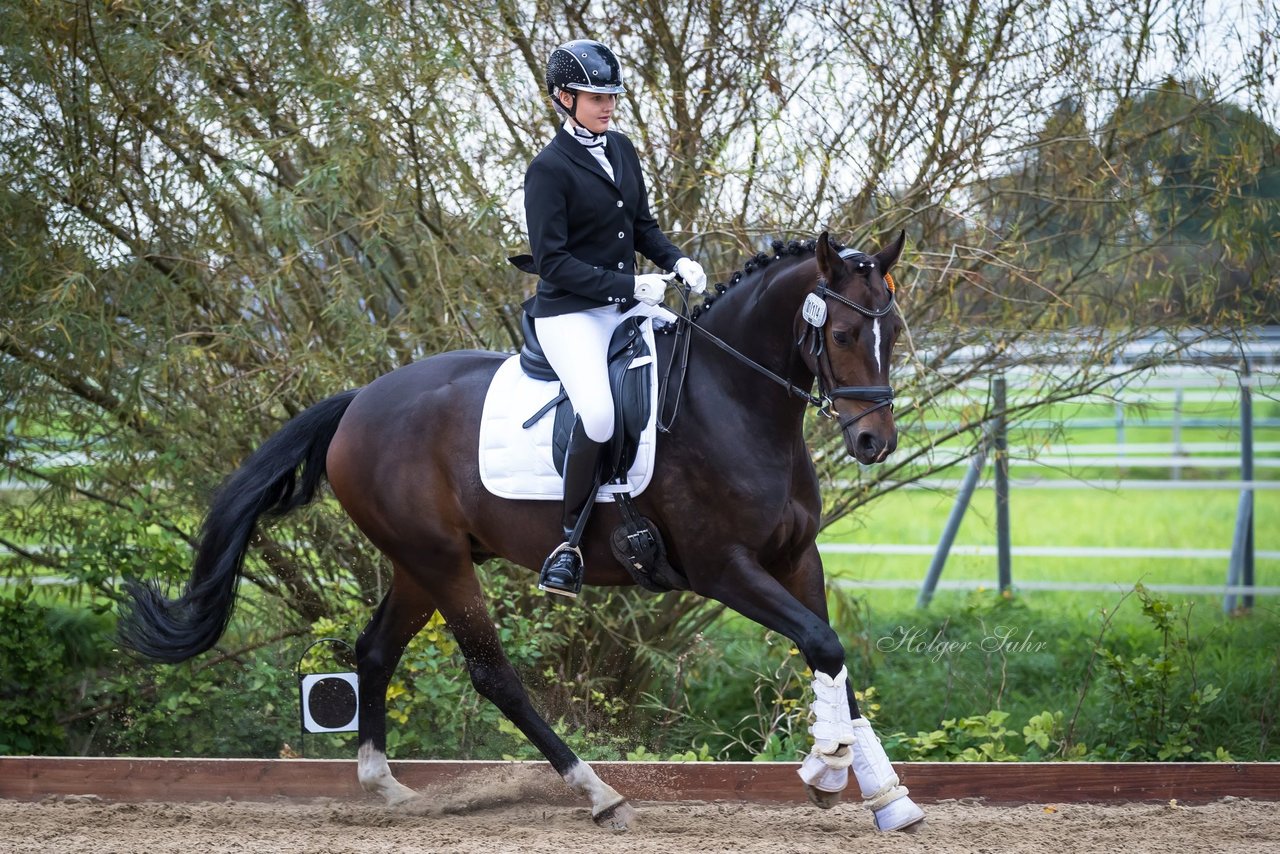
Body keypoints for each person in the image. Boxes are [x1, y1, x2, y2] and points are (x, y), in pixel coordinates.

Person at [523, 38, 706, 599]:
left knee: (693, 369)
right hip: (571, 314)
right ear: (564, 97)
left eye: (611, 96)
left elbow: (642, 225)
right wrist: (630, 283)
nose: (608, 106)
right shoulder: (548, 170)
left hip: (626, 305)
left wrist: (677, 260)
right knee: (599, 416)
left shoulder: (621, 148)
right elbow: (553, 261)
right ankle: (568, 545)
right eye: (596, 97)